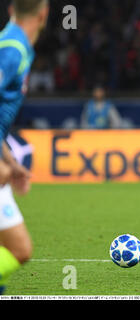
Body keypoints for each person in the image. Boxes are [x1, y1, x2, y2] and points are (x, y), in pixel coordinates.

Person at [0, 0, 49, 295]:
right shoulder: (12, 50)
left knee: (18, 249)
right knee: (19, 249)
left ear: (11, 10)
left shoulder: (16, 46)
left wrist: (9, 160)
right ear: (43, 15)